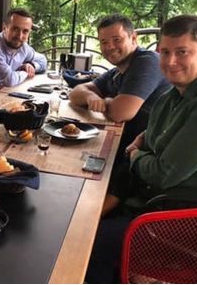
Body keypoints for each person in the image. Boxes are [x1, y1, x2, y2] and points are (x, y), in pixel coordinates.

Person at [85, 15, 197, 283]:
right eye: (164, 52)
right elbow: (150, 140)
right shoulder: (173, 96)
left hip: (192, 222)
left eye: (182, 52)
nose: (171, 61)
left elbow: (163, 173)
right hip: (158, 203)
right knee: (79, 215)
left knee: (88, 245)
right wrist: (141, 147)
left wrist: (136, 155)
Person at [68, 14, 170, 214]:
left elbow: (121, 112)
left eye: (117, 39)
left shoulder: (147, 62)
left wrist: (105, 102)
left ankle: (89, 220)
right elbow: (75, 93)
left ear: (134, 38)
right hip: (121, 146)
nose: (110, 47)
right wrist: (91, 97)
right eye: (104, 42)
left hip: (143, 154)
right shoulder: (117, 71)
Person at [0, 7, 47, 88]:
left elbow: (43, 60)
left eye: (25, 31)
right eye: (15, 29)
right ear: (4, 28)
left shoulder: (23, 47)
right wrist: (25, 72)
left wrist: (32, 66)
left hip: (0, 92)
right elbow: (9, 80)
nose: (20, 36)